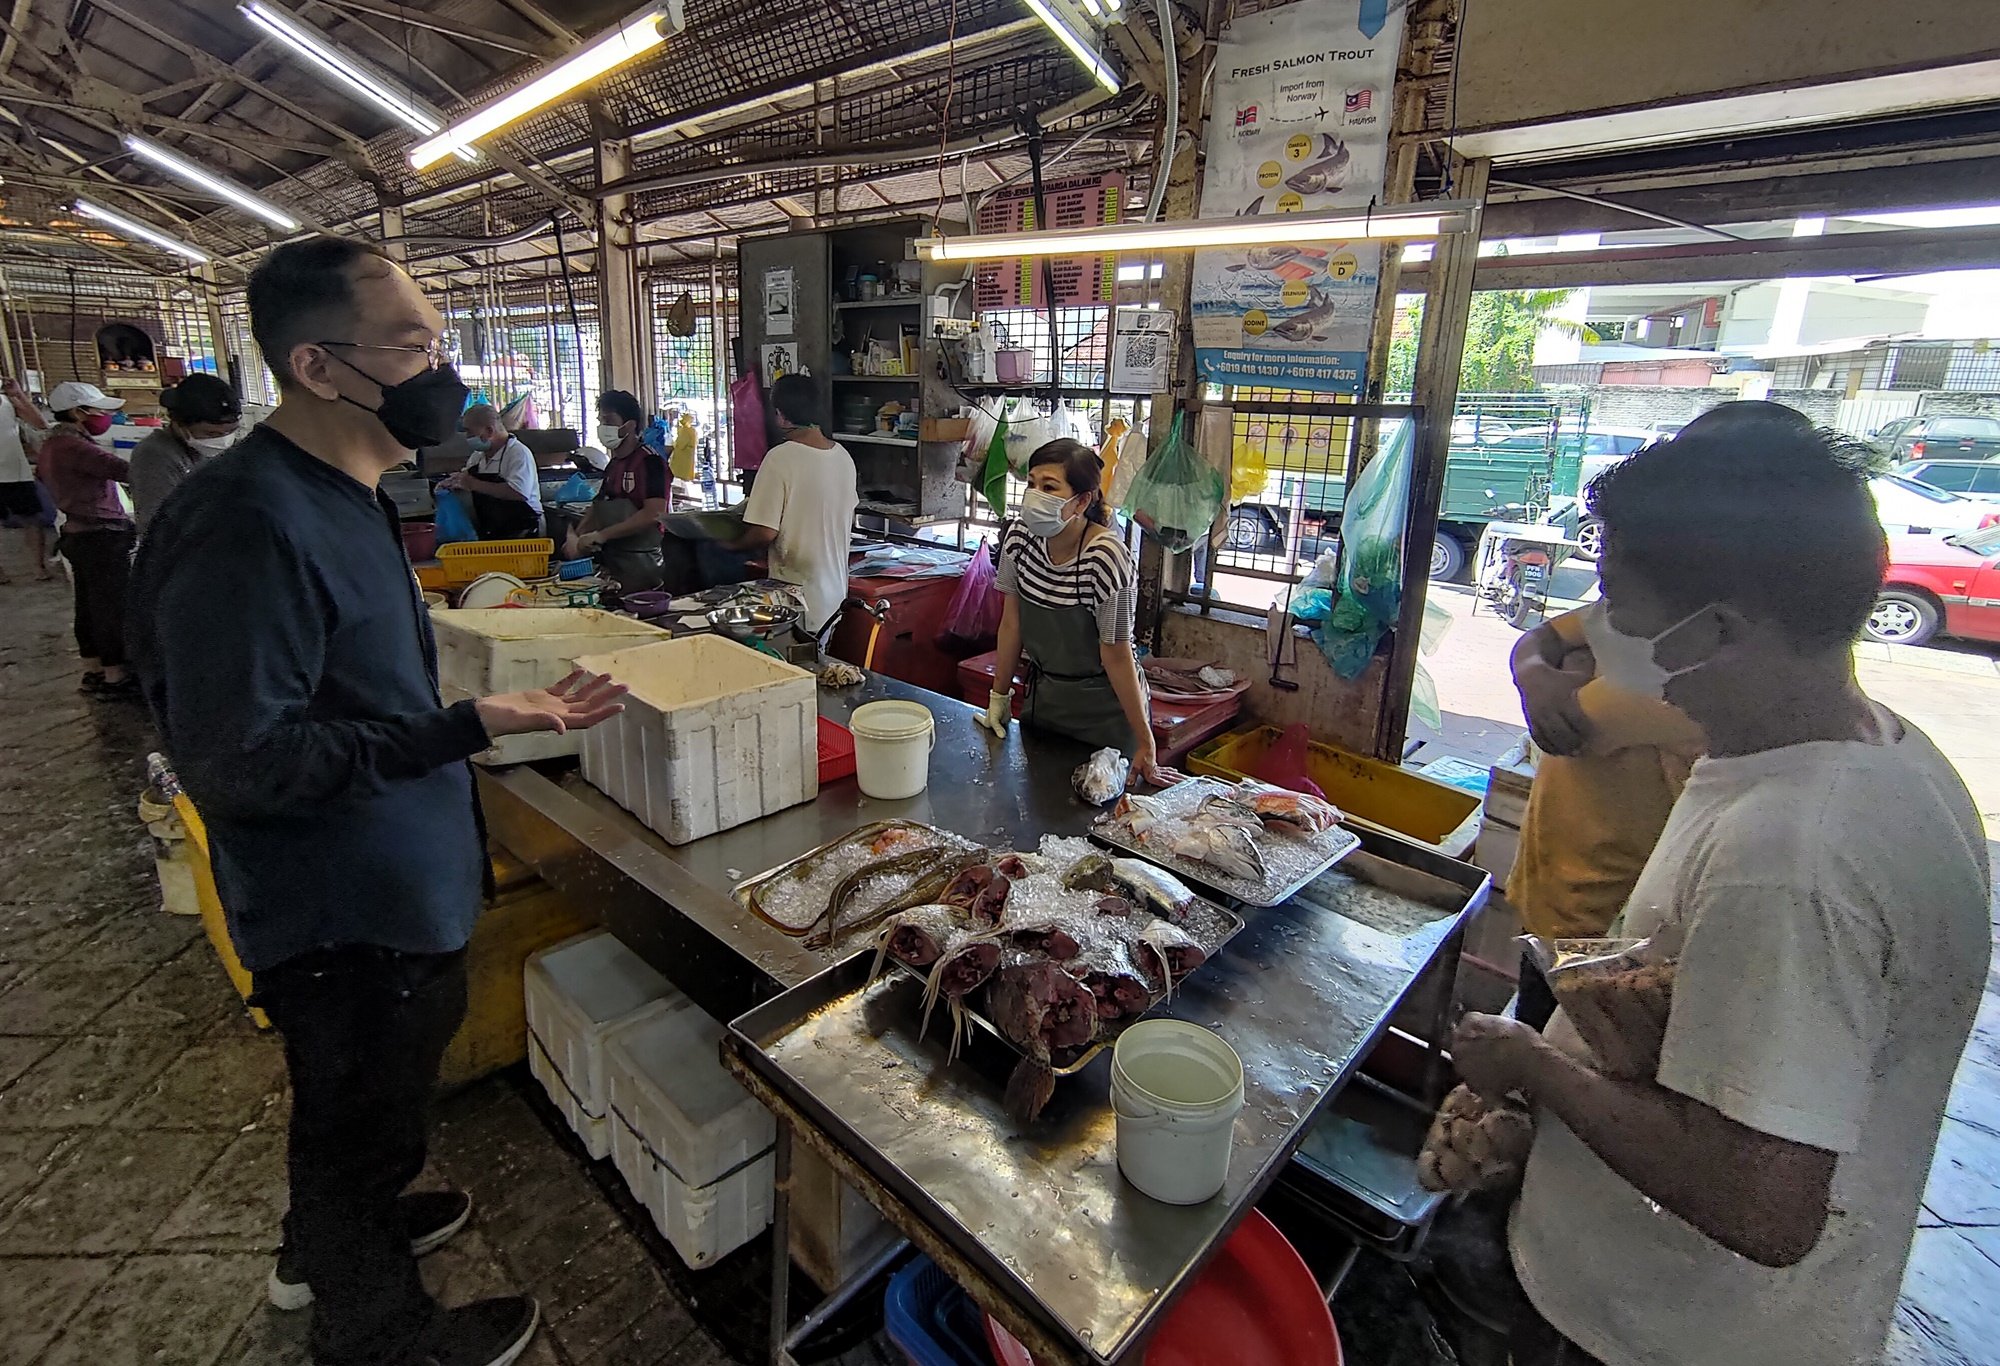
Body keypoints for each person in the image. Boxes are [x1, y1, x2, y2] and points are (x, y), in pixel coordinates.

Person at [129, 236, 628, 1366]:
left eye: (439, 343)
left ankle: (325, 1239)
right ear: (317, 364)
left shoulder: (345, 490)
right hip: (338, 911)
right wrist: (471, 725)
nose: (438, 369)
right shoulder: (243, 520)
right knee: (359, 1115)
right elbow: (244, 761)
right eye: (411, 344)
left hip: (395, 886)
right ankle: (376, 1330)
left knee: (358, 1113)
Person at [1449, 419, 1991, 1366]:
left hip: (1659, 1335)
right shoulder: (1877, 750)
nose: (1597, 631)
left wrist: (1538, 1067)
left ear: (1724, 628)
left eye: (1619, 604)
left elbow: (1764, 1203)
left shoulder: (1794, 854)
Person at [1505, 605, 1705, 1026]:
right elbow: (1539, 638)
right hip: (1554, 898)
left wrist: (1565, 667)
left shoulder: (1676, 685)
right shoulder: (1634, 622)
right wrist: (1538, 675)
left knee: (1551, 1050)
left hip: (1598, 931)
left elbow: (1562, 723)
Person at [978, 439, 1173, 784]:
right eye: (1032, 484)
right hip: (1048, 703)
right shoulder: (1019, 539)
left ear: (1082, 500)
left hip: (1106, 715)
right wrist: (999, 697)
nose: (1035, 495)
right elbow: (1012, 625)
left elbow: (1116, 655)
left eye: (1049, 487)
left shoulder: (1106, 558)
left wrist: (1146, 741)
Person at [724, 373, 857, 632]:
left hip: (797, 600)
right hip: (834, 596)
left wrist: (731, 546)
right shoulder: (843, 457)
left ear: (781, 415)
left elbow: (764, 532)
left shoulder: (779, 459)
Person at [37, 380, 137, 696]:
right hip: (100, 534)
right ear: (78, 412)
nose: (103, 418)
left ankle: (93, 668)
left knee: (89, 605)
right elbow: (126, 470)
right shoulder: (75, 448)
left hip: (77, 533)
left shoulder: (52, 444)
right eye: (98, 411)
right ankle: (115, 675)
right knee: (110, 607)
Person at [563, 388, 668, 589]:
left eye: (609, 421)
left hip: (643, 564)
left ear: (629, 426)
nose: (603, 427)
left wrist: (602, 535)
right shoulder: (613, 465)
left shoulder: (650, 462)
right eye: (601, 421)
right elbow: (599, 505)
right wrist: (576, 537)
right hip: (612, 560)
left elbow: (654, 513)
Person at [130, 373, 242, 533]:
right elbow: (158, 526)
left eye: (231, 431)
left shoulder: (234, 449)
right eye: (211, 434)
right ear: (179, 424)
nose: (224, 440)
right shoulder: (156, 456)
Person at [441, 403, 542, 538]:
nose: (468, 437)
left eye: (470, 431)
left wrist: (473, 484)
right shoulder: (478, 455)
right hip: (495, 527)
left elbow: (519, 492)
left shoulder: (518, 453)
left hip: (526, 529)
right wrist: (452, 482)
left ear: (489, 431)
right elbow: (465, 476)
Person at [0, 375, 52, 581]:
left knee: (32, 519)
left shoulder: (7, 402)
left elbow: (41, 423)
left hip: (15, 470)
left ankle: (39, 567)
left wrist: (19, 395)